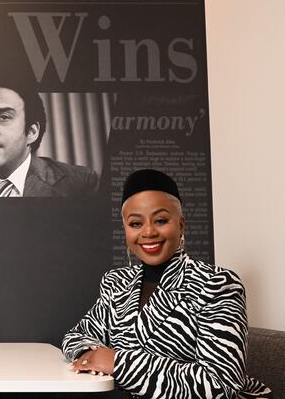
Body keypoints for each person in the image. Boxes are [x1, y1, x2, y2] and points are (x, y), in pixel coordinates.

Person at [62, 169, 271, 398]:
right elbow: (77, 335)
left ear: (181, 225)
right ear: (126, 230)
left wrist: (118, 363)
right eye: (135, 223)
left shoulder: (217, 284)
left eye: (161, 220)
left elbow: (220, 384)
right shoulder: (116, 283)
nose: (149, 232)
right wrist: (91, 356)